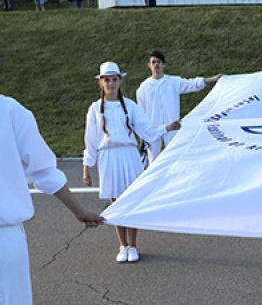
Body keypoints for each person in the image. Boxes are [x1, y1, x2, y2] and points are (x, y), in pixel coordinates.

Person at [0, 94, 103, 305]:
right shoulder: (10, 110)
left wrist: (79, 210)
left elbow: (44, 172)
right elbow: (43, 170)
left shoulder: (9, 110)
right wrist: (79, 211)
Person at [83, 61, 181, 263]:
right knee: (115, 203)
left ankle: (133, 245)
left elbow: (147, 129)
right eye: (107, 80)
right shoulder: (94, 109)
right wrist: (87, 168)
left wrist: (167, 128)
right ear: (101, 83)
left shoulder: (130, 105)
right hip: (108, 158)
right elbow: (90, 140)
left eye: (114, 79)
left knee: (132, 200)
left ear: (120, 81)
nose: (111, 83)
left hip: (128, 155)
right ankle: (122, 245)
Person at [136, 51, 222, 163]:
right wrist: (144, 134)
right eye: (153, 62)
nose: (156, 65)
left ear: (164, 64)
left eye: (159, 62)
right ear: (149, 65)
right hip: (154, 130)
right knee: (153, 162)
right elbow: (141, 113)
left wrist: (213, 79)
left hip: (173, 127)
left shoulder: (173, 82)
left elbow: (192, 84)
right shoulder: (143, 88)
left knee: (174, 159)